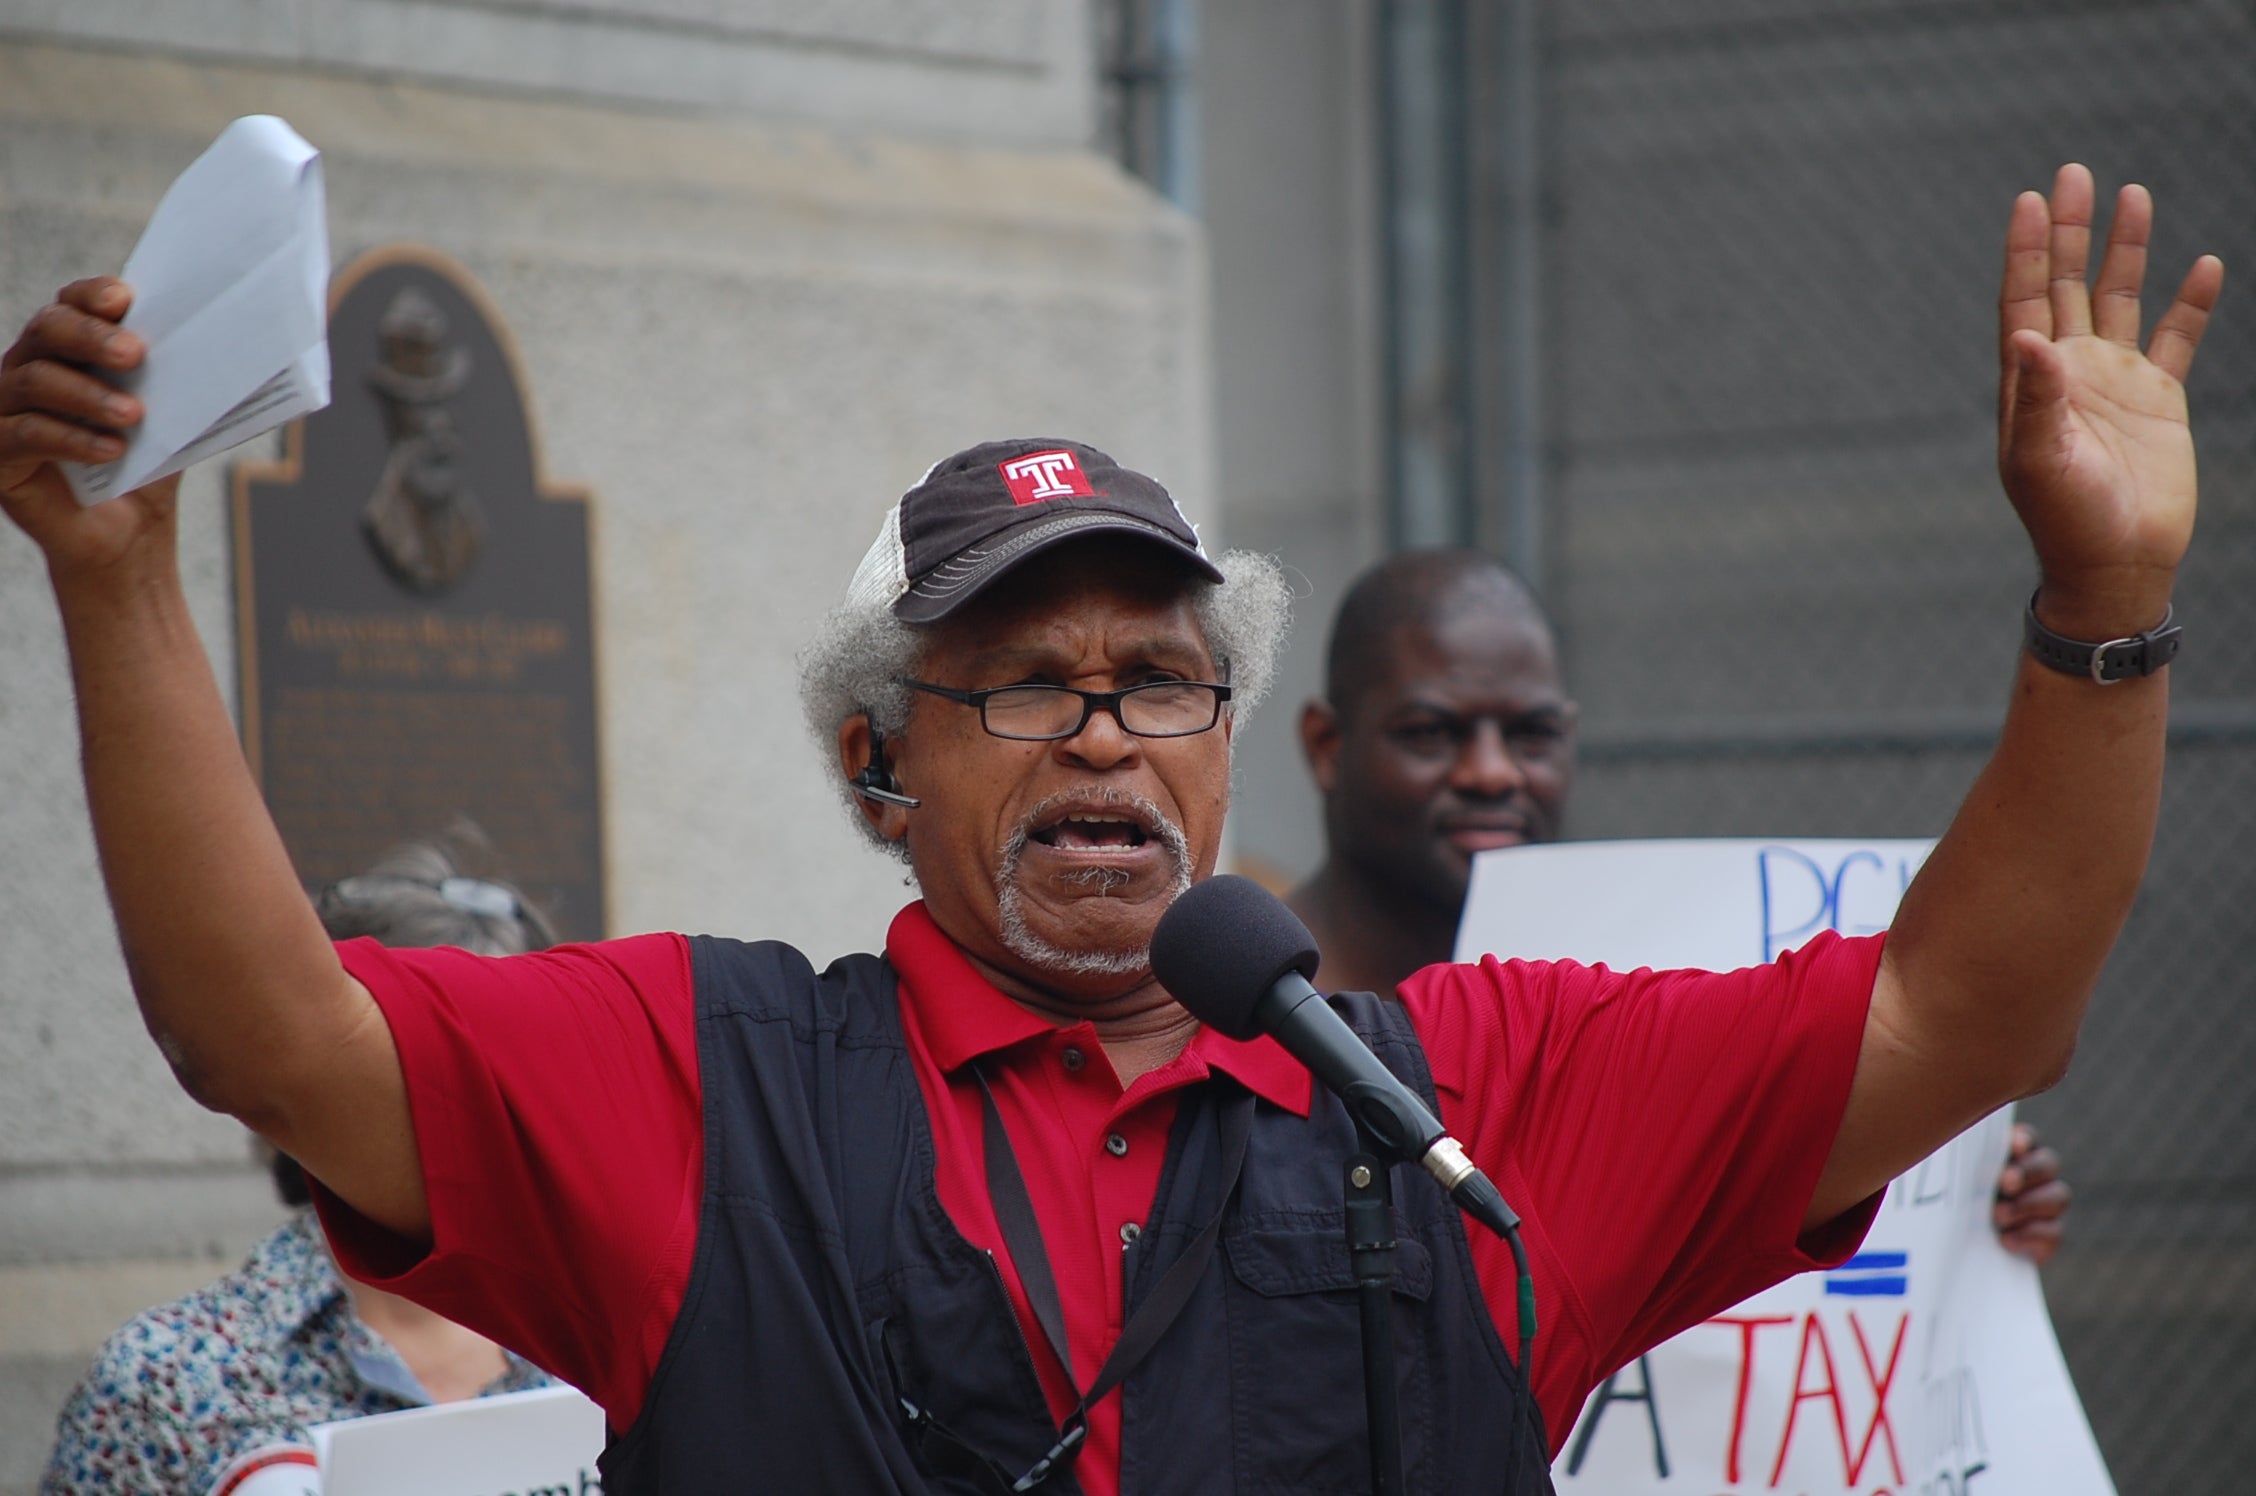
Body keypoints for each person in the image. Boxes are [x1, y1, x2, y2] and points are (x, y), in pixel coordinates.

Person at [0, 164, 2219, 1494]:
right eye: (1021, 684)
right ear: (882, 769)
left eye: (1161, 680)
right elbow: (271, 1039)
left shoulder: (1467, 1101)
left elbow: (1967, 1005)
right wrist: (114, 584)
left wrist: (2102, 606)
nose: (1103, 737)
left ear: (1232, 741)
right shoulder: (709, 1083)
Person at [1288, 549, 2072, 1263]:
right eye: (1431, 733)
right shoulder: (1241, 1010)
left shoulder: (1627, 994)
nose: (1493, 771)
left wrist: (1945, 1199)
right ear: (1328, 746)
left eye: (1531, 735)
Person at [39, 837, 562, 1496]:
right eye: (431, 1066)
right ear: (299, 1087)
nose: (484, 1111)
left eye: (517, 1067)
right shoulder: (166, 1383)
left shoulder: (622, 1342)